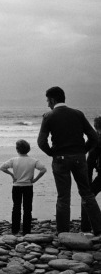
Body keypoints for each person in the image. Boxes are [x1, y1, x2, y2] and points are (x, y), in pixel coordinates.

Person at [37, 86, 101, 235]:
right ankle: (98, 229)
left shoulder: (49, 116)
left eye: (48, 101)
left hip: (60, 159)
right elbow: (94, 137)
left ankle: (63, 231)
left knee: (63, 196)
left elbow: (41, 142)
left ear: (53, 100)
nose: (47, 104)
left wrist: (52, 153)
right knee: (87, 193)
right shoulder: (78, 114)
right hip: (79, 158)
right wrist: (83, 151)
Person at [0, 140, 47, 235]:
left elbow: (2, 167)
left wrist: (12, 175)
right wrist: (35, 180)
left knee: (16, 207)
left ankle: (15, 230)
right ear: (28, 149)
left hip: (17, 186)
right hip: (28, 186)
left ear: (17, 149)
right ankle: (26, 231)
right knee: (27, 209)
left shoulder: (14, 160)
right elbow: (43, 169)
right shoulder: (33, 160)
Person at [81, 116, 101, 232]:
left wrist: (87, 180)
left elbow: (90, 160)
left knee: (87, 197)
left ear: (95, 126)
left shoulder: (97, 139)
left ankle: (86, 227)